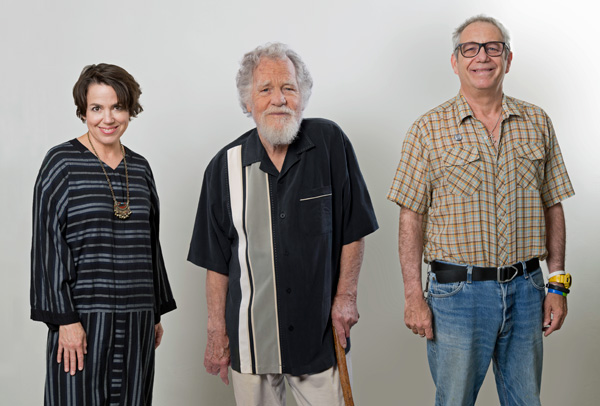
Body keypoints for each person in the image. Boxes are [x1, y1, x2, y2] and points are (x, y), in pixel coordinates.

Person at [388, 15, 574, 406]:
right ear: (455, 61)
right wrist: (412, 296)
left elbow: (552, 204)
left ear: (508, 58)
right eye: (470, 48)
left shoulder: (537, 122)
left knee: (526, 402)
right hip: (457, 297)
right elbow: (411, 218)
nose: (482, 57)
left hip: (527, 291)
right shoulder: (427, 130)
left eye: (493, 47)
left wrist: (557, 285)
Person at [188, 43, 378, 405]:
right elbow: (215, 262)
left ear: (302, 98)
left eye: (288, 88)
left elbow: (353, 230)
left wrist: (346, 299)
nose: (279, 99)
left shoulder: (329, 143)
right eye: (265, 89)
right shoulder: (222, 169)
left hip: (319, 336)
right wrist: (217, 333)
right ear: (248, 103)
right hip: (250, 340)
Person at [30, 63, 177, 406]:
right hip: (82, 318)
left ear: (130, 110)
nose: (107, 118)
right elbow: (47, 245)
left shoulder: (140, 167)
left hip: (137, 317)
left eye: (117, 107)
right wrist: (65, 320)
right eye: (97, 108)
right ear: (83, 111)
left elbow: (149, 244)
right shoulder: (61, 163)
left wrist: (154, 312)